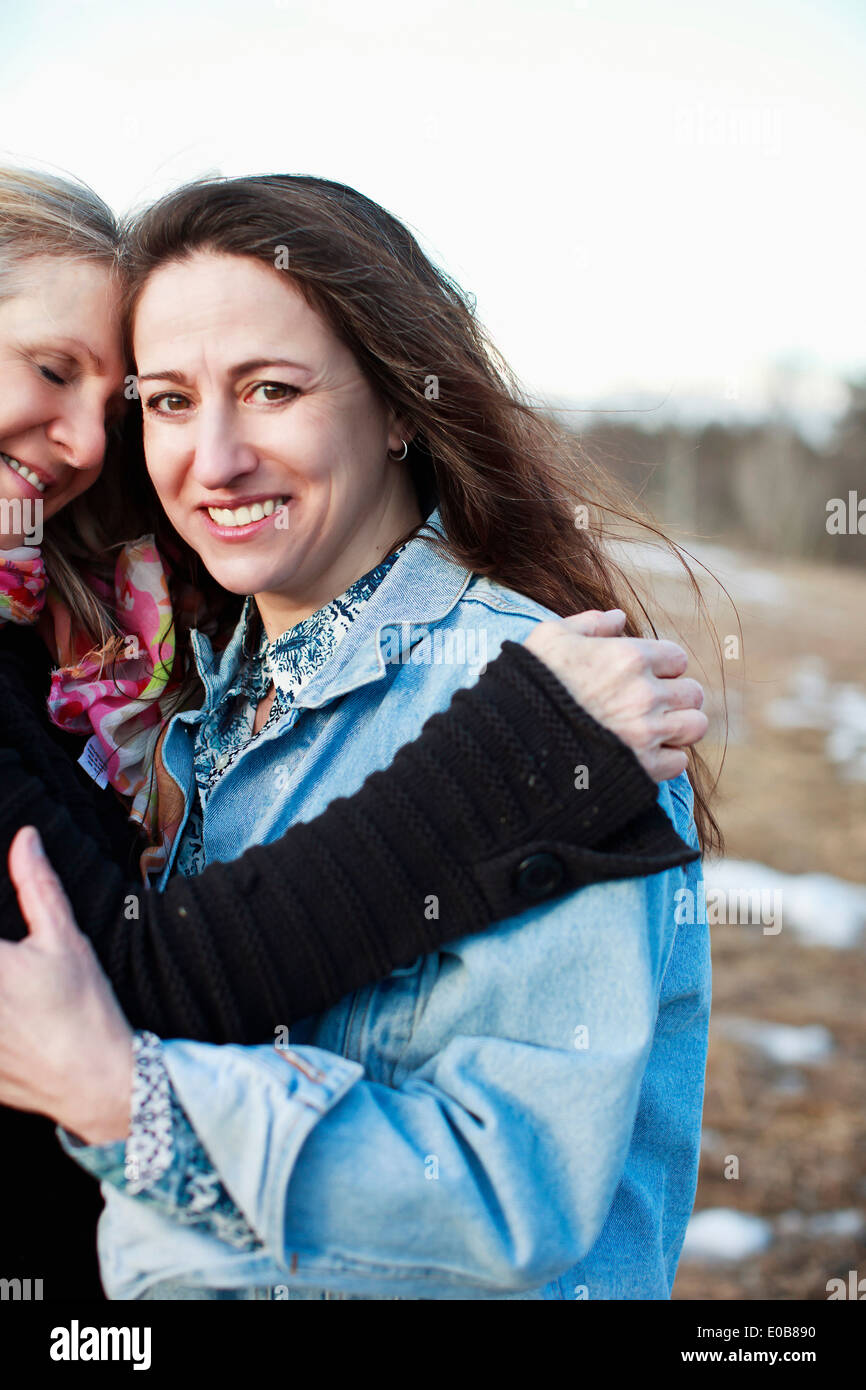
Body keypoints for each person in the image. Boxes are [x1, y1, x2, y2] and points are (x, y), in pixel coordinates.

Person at [0, 173, 715, 1300]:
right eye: (170, 402)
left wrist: (128, 1101)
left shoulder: (547, 712)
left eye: (271, 389)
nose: (212, 457)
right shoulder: (195, 705)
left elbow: (499, 1195)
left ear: (397, 405)